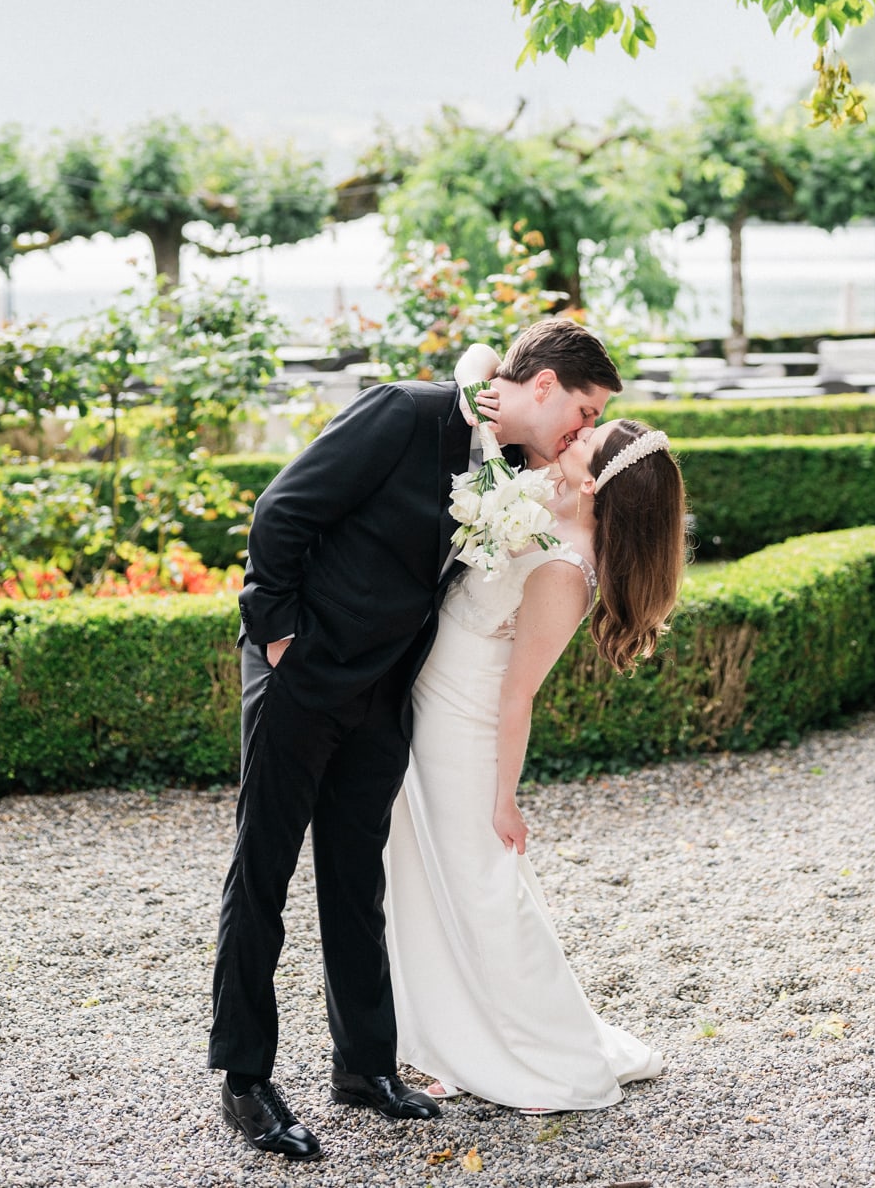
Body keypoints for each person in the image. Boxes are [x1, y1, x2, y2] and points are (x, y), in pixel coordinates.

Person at [208, 320, 622, 1161]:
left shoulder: (508, 468)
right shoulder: (404, 412)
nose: (583, 432)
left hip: (384, 693)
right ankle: (244, 1082)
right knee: (263, 873)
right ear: (542, 387)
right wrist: (279, 634)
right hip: (303, 676)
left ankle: (363, 1066)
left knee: (358, 880)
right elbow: (281, 510)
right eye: (582, 411)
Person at [384, 410, 686, 1113]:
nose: (574, 436)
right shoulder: (546, 506)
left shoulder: (564, 569)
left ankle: (540, 1052)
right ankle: (459, 1036)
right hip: (432, 701)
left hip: (463, 727)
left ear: (599, 483)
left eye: (589, 440)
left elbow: (518, 694)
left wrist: (505, 799)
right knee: (430, 880)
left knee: (483, 887)